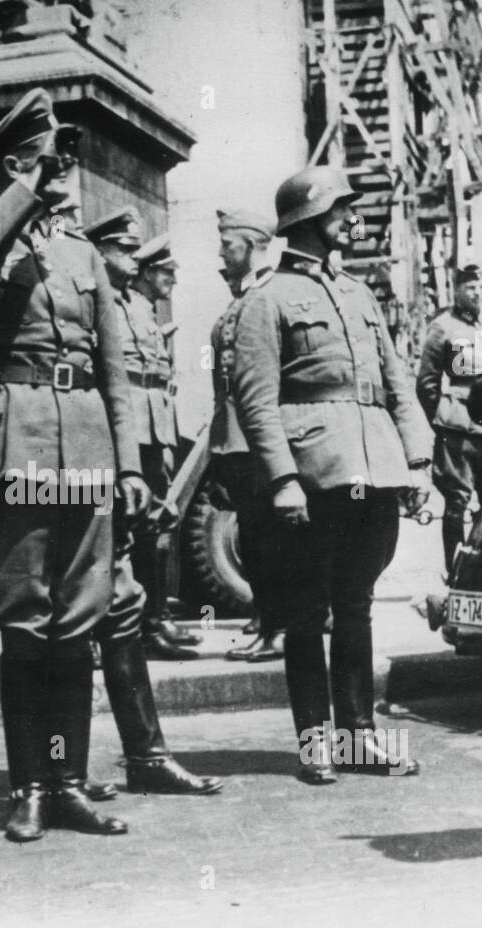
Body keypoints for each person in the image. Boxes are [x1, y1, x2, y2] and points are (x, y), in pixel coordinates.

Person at [0, 88, 150, 841]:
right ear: (11, 166)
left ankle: (66, 782)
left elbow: (116, 371)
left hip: (88, 442)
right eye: (42, 156)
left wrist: (128, 465)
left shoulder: (83, 254)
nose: (62, 167)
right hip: (20, 439)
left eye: (63, 156)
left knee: (78, 620)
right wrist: (28, 189)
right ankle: (27, 784)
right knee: (27, 623)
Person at [231, 165, 430, 785]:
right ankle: (316, 742)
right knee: (304, 610)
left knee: (357, 607)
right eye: (340, 209)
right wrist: (283, 479)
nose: (350, 217)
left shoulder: (359, 293)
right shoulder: (266, 299)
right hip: (314, 479)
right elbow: (256, 401)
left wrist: (418, 462)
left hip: (374, 469)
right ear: (308, 218)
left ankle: (360, 739)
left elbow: (396, 384)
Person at [83, 208, 197, 659]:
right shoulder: (95, 302)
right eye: (125, 249)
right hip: (115, 429)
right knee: (105, 531)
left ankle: (150, 622)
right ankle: (94, 630)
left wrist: (165, 438)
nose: (134, 259)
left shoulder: (138, 305)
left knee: (150, 525)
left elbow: (154, 377)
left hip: (150, 428)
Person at [210, 208, 285, 663]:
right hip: (234, 440)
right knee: (255, 538)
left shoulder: (268, 295)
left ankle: (278, 629)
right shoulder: (237, 301)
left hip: (258, 438)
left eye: (229, 244)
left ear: (255, 244)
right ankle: (268, 621)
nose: (222, 252)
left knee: (269, 538)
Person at [415, 264, 482, 574]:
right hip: (459, 425)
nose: (477, 292)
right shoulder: (442, 327)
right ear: (456, 289)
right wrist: (442, 417)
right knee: (456, 501)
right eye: (470, 287)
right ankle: (455, 569)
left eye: (481, 286)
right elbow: (427, 383)